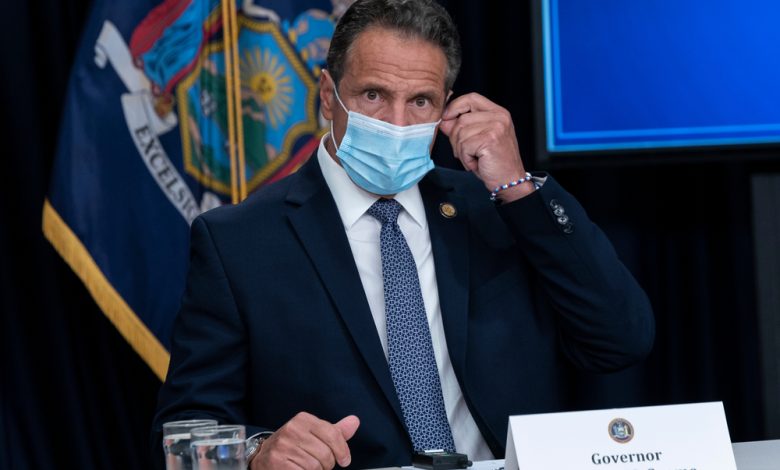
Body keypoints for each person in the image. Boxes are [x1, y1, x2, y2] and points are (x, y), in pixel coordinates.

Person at [151, 1, 655, 469]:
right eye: (373, 95)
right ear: (329, 96)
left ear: (448, 109)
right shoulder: (239, 241)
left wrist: (518, 187)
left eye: (420, 101)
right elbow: (181, 435)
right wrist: (259, 451)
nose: (396, 122)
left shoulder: (495, 208)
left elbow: (620, 340)